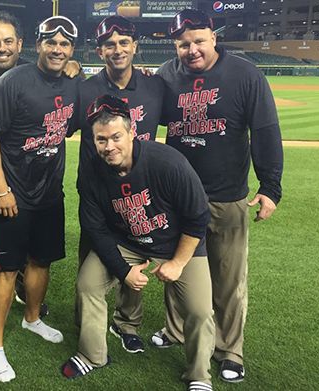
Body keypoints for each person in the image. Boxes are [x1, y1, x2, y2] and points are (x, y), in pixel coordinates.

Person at [153, 9, 284, 383]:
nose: (191, 50)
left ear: (213, 36)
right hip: (179, 195)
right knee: (178, 271)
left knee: (227, 278)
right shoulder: (166, 75)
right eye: (183, 44)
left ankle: (229, 350)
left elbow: (265, 131)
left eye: (198, 41)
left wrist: (270, 187)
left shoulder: (244, 74)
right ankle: (176, 330)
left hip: (226, 196)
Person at [63, 95, 215, 391]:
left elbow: (198, 217)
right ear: (93, 141)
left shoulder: (167, 162)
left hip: (177, 244)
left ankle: (199, 376)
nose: (110, 147)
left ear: (132, 133)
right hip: (127, 242)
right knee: (87, 285)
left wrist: (178, 262)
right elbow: (95, 227)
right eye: (101, 140)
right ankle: (92, 355)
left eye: (116, 137)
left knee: (199, 310)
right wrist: (123, 271)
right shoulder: (92, 172)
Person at [0, 15, 80, 382]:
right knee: (5, 269)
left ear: (71, 49)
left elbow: (79, 122)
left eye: (64, 44)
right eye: (50, 42)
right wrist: (2, 189)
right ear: (36, 44)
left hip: (50, 193)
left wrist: (76, 69)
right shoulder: (13, 81)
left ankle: (32, 318)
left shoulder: (74, 82)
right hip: (13, 195)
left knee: (41, 261)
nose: (57, 49)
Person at [75, 15, 165, 352]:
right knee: (91, 259)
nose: (118, 49)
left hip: (139, 191)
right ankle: (86, 320)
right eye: (110, 44)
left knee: (136, 259)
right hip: (96, 192)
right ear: (100, 51)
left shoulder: (155, 86)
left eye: (124, 42)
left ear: (135, 46)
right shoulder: (83, 88)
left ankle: (128, 323)